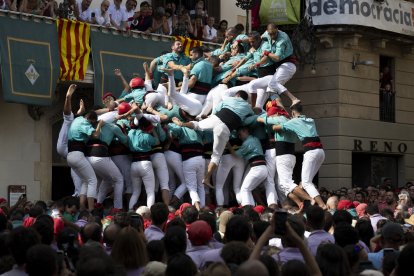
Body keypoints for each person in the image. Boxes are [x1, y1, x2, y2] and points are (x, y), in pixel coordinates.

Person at [172, 90, 254, 189]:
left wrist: (209, 117)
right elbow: (250, 116)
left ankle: (183, 124)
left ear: (237, 95)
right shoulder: (248, 107)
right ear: (245, 99)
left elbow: (215, 110)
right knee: (216, 156)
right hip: (225, 127)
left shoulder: (229, 99)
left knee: (197, 125)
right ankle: (207, 178)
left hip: (216, 118)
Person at [272, 103, 326, 209]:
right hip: (320, 152)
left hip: (311, 152)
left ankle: (321, 205)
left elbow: (276, 127)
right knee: (305, 181)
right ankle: (309, 201)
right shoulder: (310, 120)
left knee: (306, 182)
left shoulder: (293, 121)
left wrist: (275, 120)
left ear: (293, 112)